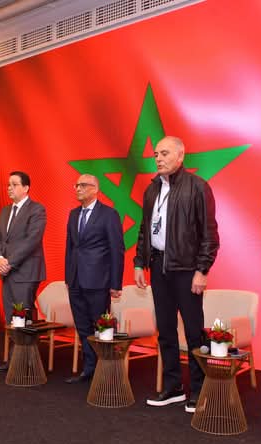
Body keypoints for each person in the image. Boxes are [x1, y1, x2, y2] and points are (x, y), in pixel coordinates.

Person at [134, 136, 219, 413]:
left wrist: (202, 270)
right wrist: (139, 262)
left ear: (181, 156)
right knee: (166, 331)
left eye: (165, 153)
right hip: (158, 267)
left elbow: (209, 235)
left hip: (187, 269)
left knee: (194, 332)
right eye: (156, 154)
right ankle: (173, 387)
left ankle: (199, 390)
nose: (158, 158)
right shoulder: (152, 189)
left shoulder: (198, 187)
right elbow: (145, 229)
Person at [63, 174, 125, 383]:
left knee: (101, 328)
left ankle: (106, 370)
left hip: (98, 281)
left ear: (95, 189)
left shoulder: (109, 214)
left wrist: (115, 283)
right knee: (82, 327)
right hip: (75, 280)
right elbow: (70, 248)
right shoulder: (73, 214)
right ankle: (89, 369)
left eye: (83, 185)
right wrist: (68, 276)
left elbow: (117, 250)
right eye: (76, 185)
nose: (78, 188)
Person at [0, 171, 47, 372]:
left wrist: (10, 262)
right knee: (11, 317)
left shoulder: (37, 209)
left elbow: (32, 240)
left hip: (26, 272)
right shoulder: (5, 211)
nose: (9, 188)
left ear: (26, 188)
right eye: (8, 184)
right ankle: (16, 359)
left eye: (14, 184)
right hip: (8, 272)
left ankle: (25, 361)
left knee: (23, 316)